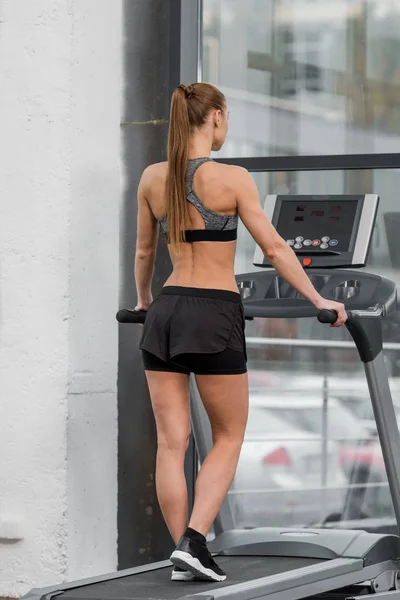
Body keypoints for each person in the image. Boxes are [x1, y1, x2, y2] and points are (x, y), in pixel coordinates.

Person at [134, 82, 347, 583]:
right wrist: (319, 299)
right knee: (228, 435)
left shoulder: (152, 178)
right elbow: (274, 248)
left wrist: (144, 303)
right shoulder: (231, 178)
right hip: (213, 312)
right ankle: (195, 541)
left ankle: (184, 554)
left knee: (172, 443)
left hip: (165, 311)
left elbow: (145, 255)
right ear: (216, 117)